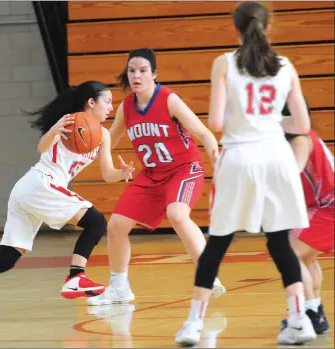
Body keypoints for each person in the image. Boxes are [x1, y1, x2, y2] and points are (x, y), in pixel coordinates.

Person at [175, 2, 317, 346]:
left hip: (240, 157)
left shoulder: (224, 63)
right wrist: (269, 121)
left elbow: (217, 123)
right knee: (280, 242)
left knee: (219, 243)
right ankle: (300, 319)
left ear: (236, 28)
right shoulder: (286, 66)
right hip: (277, 158)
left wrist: (247, 119)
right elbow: (302, 125)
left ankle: (194, 323)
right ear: (268, 27)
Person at [0, 81, 135, 322]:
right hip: (41, 183)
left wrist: (121, 173)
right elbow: (41, 147)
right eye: (107, 102)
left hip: (32, 190)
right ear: (91, 103)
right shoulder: (69, 121)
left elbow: (107, 173)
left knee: (6, 259)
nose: (111, 107)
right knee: (96, 222)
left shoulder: (103, 134)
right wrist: (54, 129)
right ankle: (75, 277)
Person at [87, 47, 226, 306]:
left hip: (185, 169)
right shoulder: (126, 107)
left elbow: (203, 133)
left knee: (176, 214)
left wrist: (215, 156)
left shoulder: (168, 99)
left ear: (154, 74)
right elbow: (109, 139)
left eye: (142, 71)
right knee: (116, 225)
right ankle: (119, 288)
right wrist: (85, 144)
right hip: (151, 176)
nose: (136, 76)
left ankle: (208, 273)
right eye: (131, 71)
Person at [280, 101, 333, 335]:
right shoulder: (297, 136)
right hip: (319, 204)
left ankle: (311, 313)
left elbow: (292, 174)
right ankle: (315, 309)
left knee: (289, 254)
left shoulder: (301, 140)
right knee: (307, 257)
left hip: (329, 206)